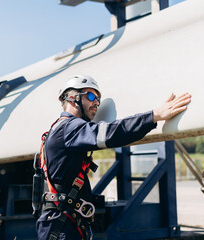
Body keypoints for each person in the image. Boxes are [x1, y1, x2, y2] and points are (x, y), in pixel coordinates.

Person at [35, 74, 192, 240]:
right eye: (90, 96)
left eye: (98, 99)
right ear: (73, 98)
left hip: (63, 222)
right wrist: (153, 116)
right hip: (61, 226)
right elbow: (109, 133)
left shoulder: (61, 128)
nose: (96, 102)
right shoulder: (69, 128)